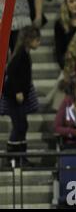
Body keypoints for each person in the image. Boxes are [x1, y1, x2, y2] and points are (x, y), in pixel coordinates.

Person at [0, 26, 41, 167]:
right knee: (18, 126)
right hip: (14, 98)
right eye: (36, 40)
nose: (39, 42)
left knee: (23, 126)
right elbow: (11, 73)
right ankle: (11, 158)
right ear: (28, 40)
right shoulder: (20, 55)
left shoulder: (25, 54)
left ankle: (22, 157)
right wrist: (17, 91)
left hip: (20, 98)